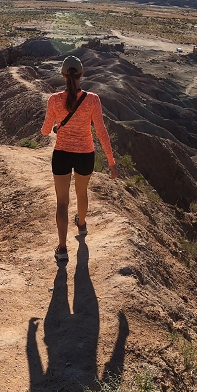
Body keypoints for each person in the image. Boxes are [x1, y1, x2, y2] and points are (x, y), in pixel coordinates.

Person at [41, 55, 117, 261]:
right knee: (82, 193)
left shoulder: (54, 100)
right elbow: (101, 131)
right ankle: (81, 225)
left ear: (63, 75)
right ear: (81, 75)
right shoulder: (93, 99)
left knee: (62, 202)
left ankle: (63, 248)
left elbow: (45, 131)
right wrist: (111, 162)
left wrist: (57, 126)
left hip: (62, 154)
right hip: (85, 154)